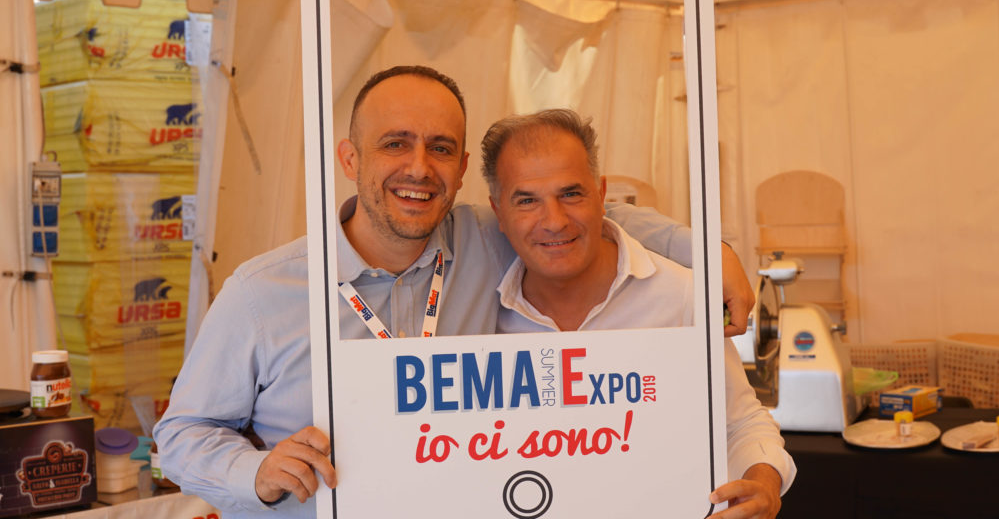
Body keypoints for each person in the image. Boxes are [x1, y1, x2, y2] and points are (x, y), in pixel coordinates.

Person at [154, 66, 757, 517]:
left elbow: (579, 210)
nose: (419, 167)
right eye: (395, 143)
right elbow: (181, 434)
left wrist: (708, 252)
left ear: (463, 167)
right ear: (349, 158)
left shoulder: (486, 240)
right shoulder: (263, 293)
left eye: (439, 148)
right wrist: (257, 470)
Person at [483, 109, 794, 519]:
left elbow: (739, 422)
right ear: (498, 212)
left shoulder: (682, 295)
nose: (554, 221)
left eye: (571, 194)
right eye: (527, 201)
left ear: (601, 195)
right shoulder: (481, 313)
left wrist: (764, 483)